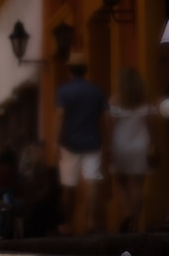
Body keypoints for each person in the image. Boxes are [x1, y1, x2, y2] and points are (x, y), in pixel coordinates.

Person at [55, 51, 109, 236]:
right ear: (85, 70)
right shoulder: (96, 90)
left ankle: (68, 224)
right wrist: (106, 140)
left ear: (69, 70)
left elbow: (61, 117)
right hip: (93, 142)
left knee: (69, 186)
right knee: (92, 181)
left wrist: (57, 141)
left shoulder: (64, 91)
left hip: (69, 143)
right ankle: (91, 221)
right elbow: (104, 118)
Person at [107, 67, 159, 233]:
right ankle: (135, 223)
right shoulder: (146, 104)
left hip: (120, 145)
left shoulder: (114, 103)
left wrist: (108, 148)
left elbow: (110, 127)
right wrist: (154, 146)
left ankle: (127, 213)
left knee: (120, 181)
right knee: (137, 185)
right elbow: (152, 129)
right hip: (140, 147)